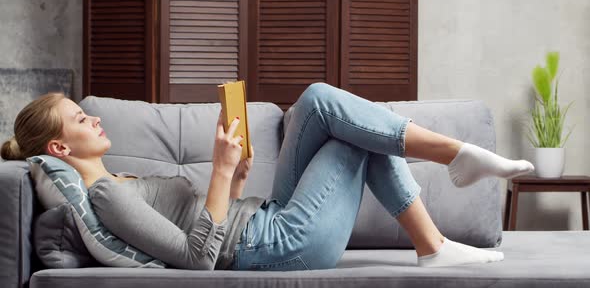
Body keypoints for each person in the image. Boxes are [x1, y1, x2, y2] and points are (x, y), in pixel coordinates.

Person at [1, 82, 534, 271]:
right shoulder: (104, 198)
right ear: (59, 147)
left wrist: (236, 179)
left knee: (321, 102)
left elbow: (207, 219)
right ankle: (455, 166)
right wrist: (220, 169)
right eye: (79, 118)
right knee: (349, 128)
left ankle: (437, 229)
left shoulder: (115, 179)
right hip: (281, 244)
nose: (93, 117)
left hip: (265, 222)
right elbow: (197, 259)